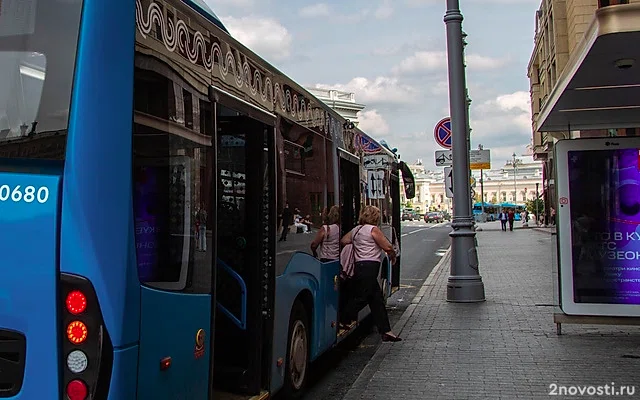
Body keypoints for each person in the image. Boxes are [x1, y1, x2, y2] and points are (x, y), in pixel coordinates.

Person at [340, 205, 402, 342]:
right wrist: (392, 255)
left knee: (377, 300)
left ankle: (386, 331)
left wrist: (358, 246)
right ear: (375, 217)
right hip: (370, 266)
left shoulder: (356, 230)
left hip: (359, 265)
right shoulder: (373, 230)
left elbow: (344, 240)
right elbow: (387, 246)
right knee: (363, 297)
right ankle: (343, 317)